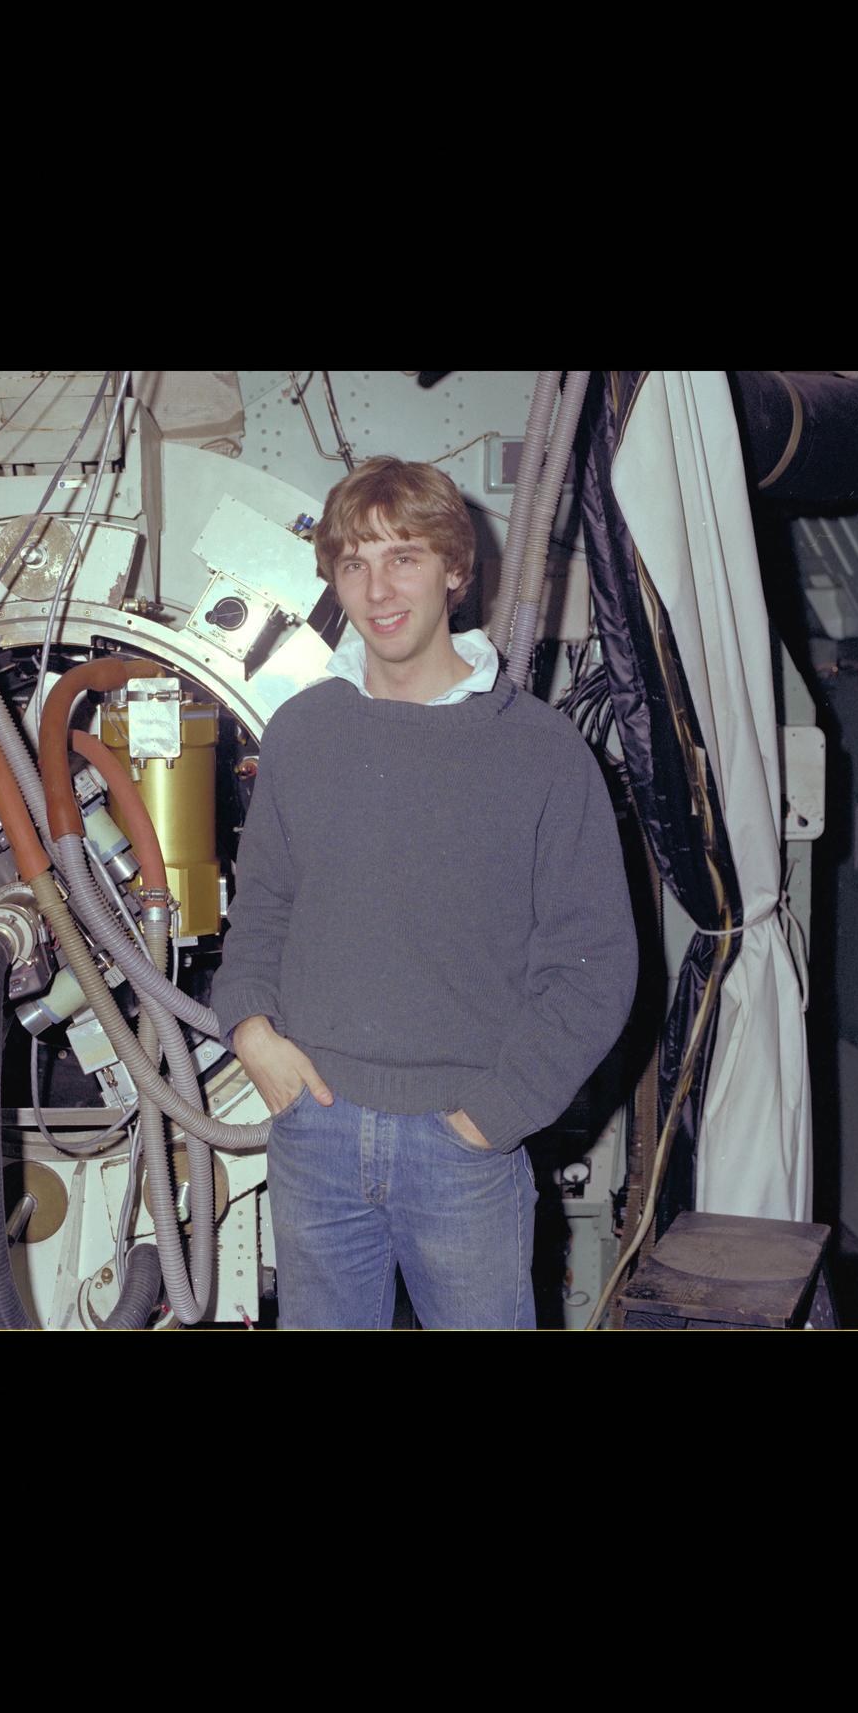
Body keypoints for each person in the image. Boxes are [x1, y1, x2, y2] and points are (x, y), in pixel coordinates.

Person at [210, 456, 638, 1329]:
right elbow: (261, 913)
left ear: (455, 570)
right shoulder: (302, 732)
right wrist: (250, 1030)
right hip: (315, 1131)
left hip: (464, 1149)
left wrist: (491, 1117)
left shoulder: (543, 753)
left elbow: (593, 970)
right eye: (354, 563)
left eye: (404, 557)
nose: (378, 590)